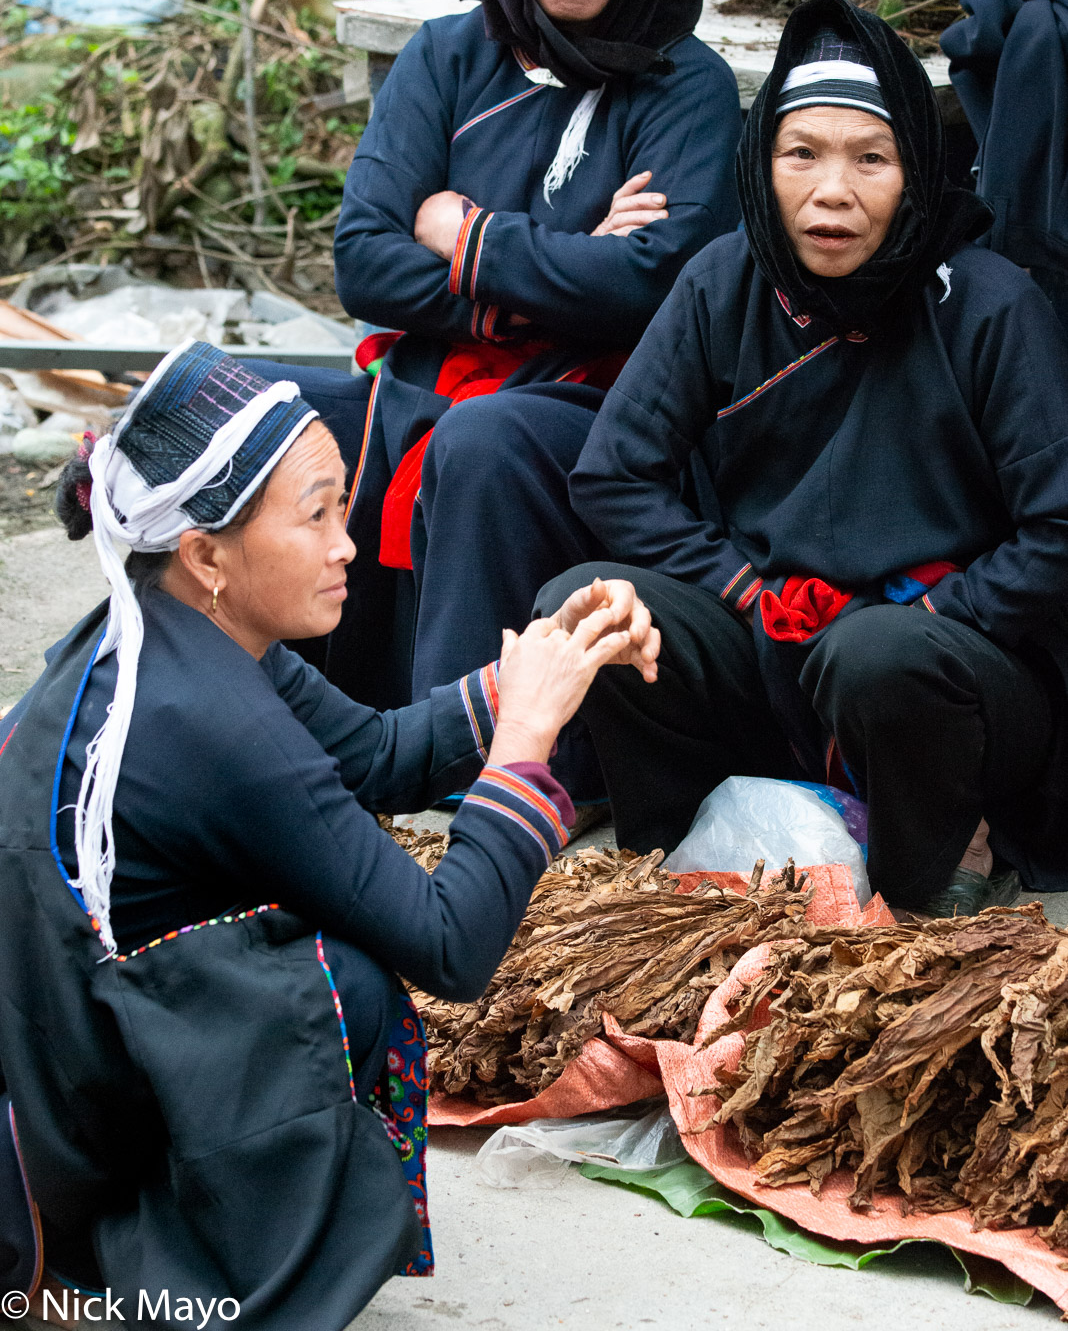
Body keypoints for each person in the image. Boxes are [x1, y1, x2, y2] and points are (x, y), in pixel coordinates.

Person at [0, 341, 658, 1329]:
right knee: (339, 984)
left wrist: (549, 657)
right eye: (314, 515)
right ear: (208, 554)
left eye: (340, 504)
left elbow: (382, 752)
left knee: (333, 969)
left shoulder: (177, 625)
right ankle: (125, 1268)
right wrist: (526, 737)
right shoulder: (213, 722)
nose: (346, 542)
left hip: (53, 1048)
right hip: (58, 1106)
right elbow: (449, 942)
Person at [539, 0, 1068, 918]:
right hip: (771, 631)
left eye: (872, 159)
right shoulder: (726, 281)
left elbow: (1059, 524)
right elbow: (616, 472)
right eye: (802, 156)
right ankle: (690, 861)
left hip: (941, 661)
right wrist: (743, 589)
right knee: (587, 607)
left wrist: (947, 605)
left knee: (877, 654)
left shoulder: (988, 304)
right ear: (764, 166)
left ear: (915, 171)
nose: (834, 191)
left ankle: (925, 871)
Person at [262, 0, 741, 716]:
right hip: (437, 375)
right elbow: (364, 261)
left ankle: (461, 763)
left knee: (481, 438)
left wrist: (468, 232)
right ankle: (252, 722)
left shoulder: (681, 83)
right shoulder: (446, 56)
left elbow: (652, 283)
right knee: (257, 407)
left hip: (600, 407)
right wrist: (557, 272)